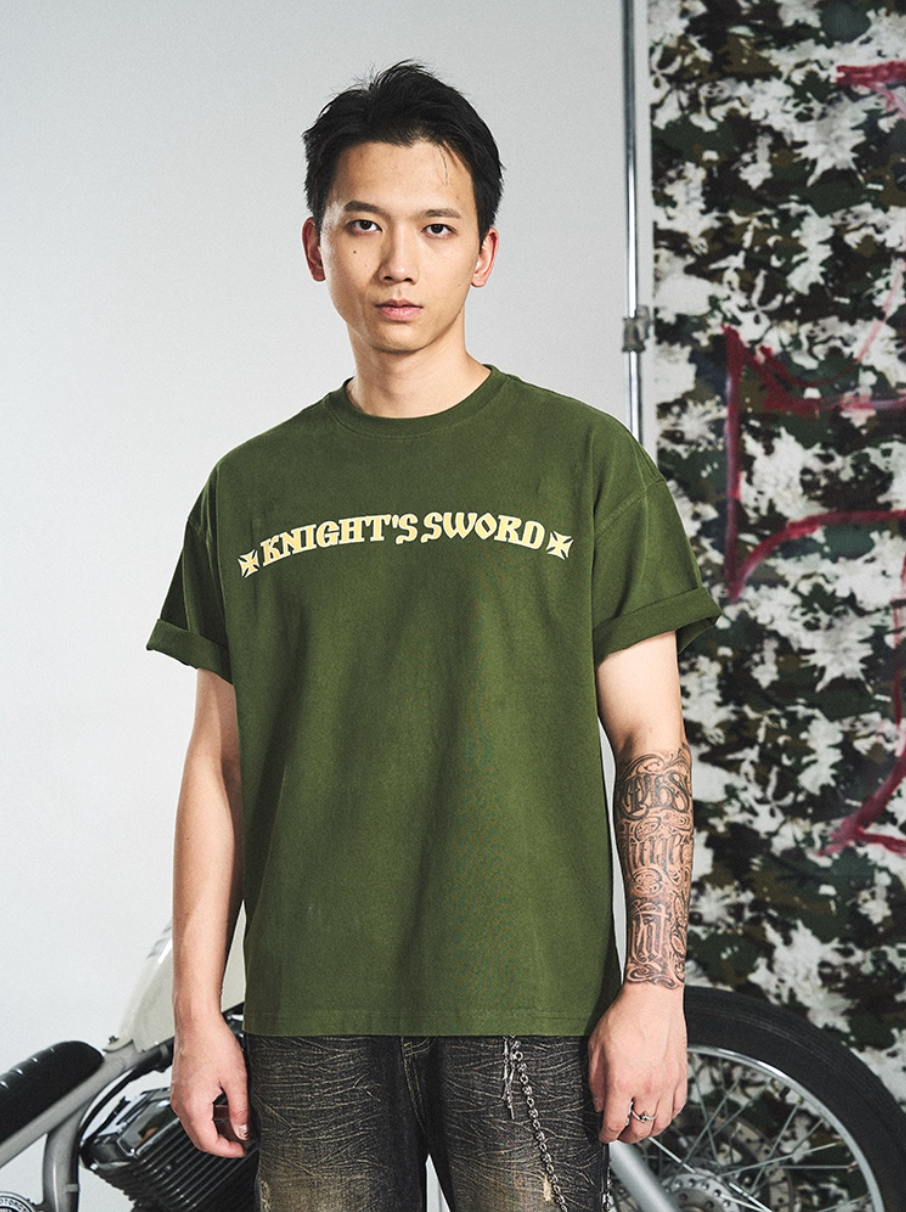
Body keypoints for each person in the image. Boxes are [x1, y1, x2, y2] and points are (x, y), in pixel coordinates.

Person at [148, 61, 720, 1212]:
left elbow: (651, 743)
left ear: (484, 253)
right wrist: (197, 1015)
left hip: (531, 1000)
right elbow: (219, 764)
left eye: (437, 228)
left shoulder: (586, 465)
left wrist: (656, 989)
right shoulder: (250, 488)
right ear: (316, 247)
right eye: (364, 224)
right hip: (310, 1007)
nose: (399, 263)